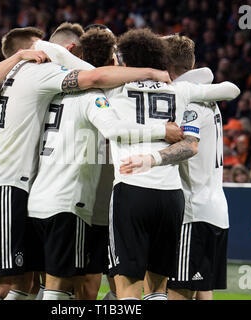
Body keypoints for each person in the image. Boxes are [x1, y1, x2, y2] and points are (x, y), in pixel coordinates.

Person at [0, 26, 172, 301]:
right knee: (58, 286)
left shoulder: (6, 82)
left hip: (28, 195)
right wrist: (156, 93)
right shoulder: (67, 84)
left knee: (18, 282)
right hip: (62, 200)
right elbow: (108, 112)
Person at [28, 26, 182, 301]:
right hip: (160, 194)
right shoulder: (179, 91)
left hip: (103, 196)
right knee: (151, 287)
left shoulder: (106, 88)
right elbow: (226, 89)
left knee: (88, 286)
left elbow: (58, 52)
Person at [106, 29, 240, 300]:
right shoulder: (202, 96)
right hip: (213, 208)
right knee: (200, 293)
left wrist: (151, 158)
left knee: (175, 293)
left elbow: (190, 146)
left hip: (192, 211)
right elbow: (232, 89)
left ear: (164, 65)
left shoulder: (188, 100)